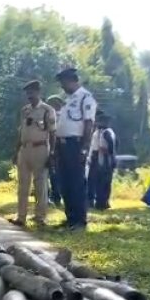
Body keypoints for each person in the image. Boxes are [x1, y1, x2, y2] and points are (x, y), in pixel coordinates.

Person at [55, 68, 97, 231]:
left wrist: (84, 148)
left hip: (76, 145)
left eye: (63, 82)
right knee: (65, 183)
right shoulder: (68, 100)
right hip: (63, 145)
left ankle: (80, 221)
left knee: (76, 183)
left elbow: (88, 123)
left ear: (72, 80)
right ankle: (70, 218)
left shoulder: (85, 98)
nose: (62, 86)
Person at [11, 80, 57, 226]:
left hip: (40, 148)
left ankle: (40, 217)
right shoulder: (25, 110)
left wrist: (52, 153)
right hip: (24, 149)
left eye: (32, 92)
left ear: (39, 92)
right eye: (28, 92)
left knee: (40, 184)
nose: (29, 95)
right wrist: (16, 150)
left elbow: (53, 133)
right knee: (23, 185)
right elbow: (21, 132)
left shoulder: (47, 110)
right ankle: (21, 216)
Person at [87, 113, 116, 210]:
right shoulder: (97, 132)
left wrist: (106, 151)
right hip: (95, 157)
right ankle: (94, 200)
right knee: (94, 180)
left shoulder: (107, 132)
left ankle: (103, 202)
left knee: (104, 181)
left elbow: (112, 147)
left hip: (105, 159)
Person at [46, 95, 64, 207]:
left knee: (53, 173)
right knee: (52, 173)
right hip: (52, 145)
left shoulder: (58, 116)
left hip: (56, 146)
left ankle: (55, 196)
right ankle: (53, 196)